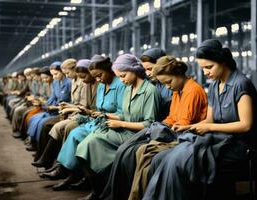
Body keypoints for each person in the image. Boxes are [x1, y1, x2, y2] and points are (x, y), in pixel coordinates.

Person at [142, 39, 257, 200]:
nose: (205, 72)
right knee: (162, 158)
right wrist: (189, 127)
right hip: (218, 140)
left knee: (179, 160)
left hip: (239, 146)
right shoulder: (214, 86)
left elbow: (246, 125)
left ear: (223, 62)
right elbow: (209, 120)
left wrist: (209, 128)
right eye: (203, 68)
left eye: (209, 67)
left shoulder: (241, 84)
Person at [101, 56, 208, 200]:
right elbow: (172, 117)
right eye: (165, 84)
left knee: (142, 151)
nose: (168, 87)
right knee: (127, 149)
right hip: (175, 131)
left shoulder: (192, 90)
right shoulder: (178, 90)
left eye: (169, 82)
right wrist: (161, 124)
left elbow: (183, 124)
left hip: (186, 136)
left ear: (178, 74)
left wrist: (161, 127)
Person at [76, 54, 162, 200]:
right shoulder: (129, 89)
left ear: (133, 70)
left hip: (140, 135)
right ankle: (101, 187)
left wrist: (120, 124)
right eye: (120, 77)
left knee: (91, 143)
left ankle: (103, 190)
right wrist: (107, 116)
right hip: (126, 130)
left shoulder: (150, 91)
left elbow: (149, 124)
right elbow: (125, 115)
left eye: (123, 76)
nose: (122, 80)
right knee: (87, 143)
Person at [42, 55, 125, 191]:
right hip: (99, 120)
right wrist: (90, 113)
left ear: (108, 70)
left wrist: (100, 115)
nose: (98, 80)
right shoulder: (101, 85)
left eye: (99, 75)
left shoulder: (120, 85)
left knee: (84, 140)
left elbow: (122, 113)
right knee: (75, 133)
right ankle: (68, 171)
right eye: (96, 77)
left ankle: (88, 182)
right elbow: (98, 108)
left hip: (111, 123)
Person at [25, 61, 71, 151]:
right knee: (35, 119)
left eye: (56, 74)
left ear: (62, 71)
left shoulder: (69, 83)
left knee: (43, 123)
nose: (54, 77)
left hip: (63, 111)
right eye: (52, 75)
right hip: (54, 109)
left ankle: (41, 148)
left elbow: (71, 101)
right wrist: (44, 105)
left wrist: (56, 107)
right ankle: (35, 144)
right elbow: (52, 98)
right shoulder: (55, 83)